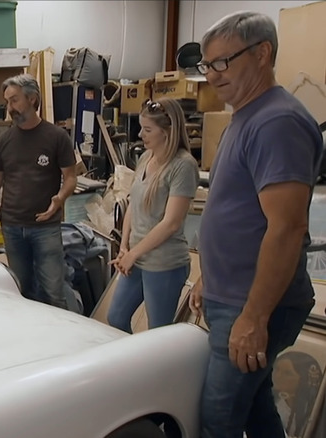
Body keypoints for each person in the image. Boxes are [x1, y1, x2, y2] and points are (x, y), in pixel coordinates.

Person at [188, 11, 323, 438]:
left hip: (255, 304)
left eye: (222, 62)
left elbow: (286, 228)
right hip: (234, 297)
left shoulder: (276, 122)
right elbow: (237, 214)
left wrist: (254, 317)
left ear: (263, 53)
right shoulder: (246, 116)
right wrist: (209, 275)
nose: (212, 75)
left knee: (218, 419)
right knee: (254, 409)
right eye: (207, 65)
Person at [0, 73, 77, 309]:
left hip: (45, 227)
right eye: (7, 102)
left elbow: (71, 178)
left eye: (14, 100)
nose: (9, 107)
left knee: (53, 292)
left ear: (32, 99)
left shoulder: (57, 137)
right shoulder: (4, 142)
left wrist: (60, 198)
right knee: (21, 292)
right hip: (12, 226)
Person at [106, 98, 198, 333]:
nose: (140, 134)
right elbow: (133, 205)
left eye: (148, 130)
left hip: (164, 263)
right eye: (141, 127)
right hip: (137, 258)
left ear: (167, 132)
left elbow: (171, 223)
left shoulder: (183, 166)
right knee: (116, 317)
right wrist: (124, 247)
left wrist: (133, 253)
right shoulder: (147, 157)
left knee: (158, 333)